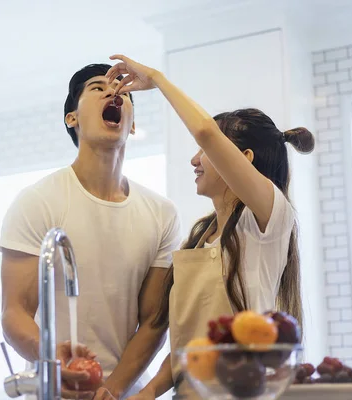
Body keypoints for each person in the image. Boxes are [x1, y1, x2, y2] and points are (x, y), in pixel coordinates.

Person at [103, 55, 315, 399]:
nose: (195, 159)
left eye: (205, 150)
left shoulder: (269, 217)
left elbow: (204, 129)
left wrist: (156, 78)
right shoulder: (201, 237)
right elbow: (188, 348)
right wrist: (144, 394)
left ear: (242, 159)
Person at [0, 63, 181, 400]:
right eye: (98, 88)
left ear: (133, 123)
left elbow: (154, 320)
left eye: (123, 91)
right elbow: (15, 312)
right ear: (72, 118)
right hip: (57, 390)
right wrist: (52, 360)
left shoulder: (161, 213)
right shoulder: (37, 201)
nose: (113, 92)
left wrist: (111, 390)